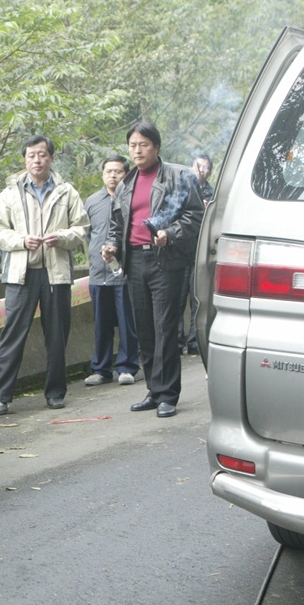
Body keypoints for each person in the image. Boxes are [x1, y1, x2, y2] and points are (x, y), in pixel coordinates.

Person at [103, 122, 204, 418]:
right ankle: (154, 389)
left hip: (165, 260)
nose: (137, 150)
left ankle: (168, 394)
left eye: (143, 144)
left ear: (156, 147)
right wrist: (110, 245)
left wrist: (169, 233)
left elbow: (195, 216)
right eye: (133, 145)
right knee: (144, 329)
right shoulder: (125, 184)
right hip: (133, 261)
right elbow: (116, 225)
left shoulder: (179, 176)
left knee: (165, 327)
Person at [0, 135, 89, 414]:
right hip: (21, 274)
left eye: (42, 154)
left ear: (51, 158)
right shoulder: (9, 194)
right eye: (32, 155)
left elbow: (82, 227)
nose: (37, 160)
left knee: (57, 335)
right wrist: (22, 241)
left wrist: (63, 237)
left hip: (56, 274)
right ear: (25, 159)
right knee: (12, 335)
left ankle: (55, 393)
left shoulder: (66, 191)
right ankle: (1, 396)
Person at [84, 155, 140, 387]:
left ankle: (127, 367)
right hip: (98, 272)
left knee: (127, 322)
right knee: (101, 323)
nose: (113, 176)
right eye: (108, 171)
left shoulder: (132, 199)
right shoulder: (92, 201)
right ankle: (101, 369)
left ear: (126, 174)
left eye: (118, 171)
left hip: (124, 272)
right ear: (102, 174)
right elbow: (87, 234)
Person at [178, 153, 214, 356]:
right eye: (198, 166)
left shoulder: (212, 193)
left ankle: (194, 341)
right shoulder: (181, 189)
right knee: (176, 299)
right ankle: (176, 341)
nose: (202, 171)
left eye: (206, 167)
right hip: (180, 251)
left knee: (197, 299)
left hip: (200, 253)